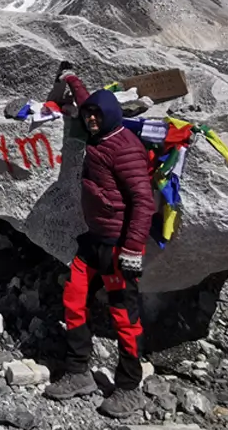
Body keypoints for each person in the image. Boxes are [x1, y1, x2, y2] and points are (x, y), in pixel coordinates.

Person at [42, 63, 157, 418]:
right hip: (93, 241)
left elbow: (143, 201)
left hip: (118, 247)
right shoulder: (99, 135)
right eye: (88, 114)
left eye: (96, 115)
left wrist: (134, 250)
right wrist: (70, 79)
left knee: (124, 315)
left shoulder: (125, 149)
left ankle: (128, 388)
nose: (90, 119)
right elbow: (86, 99)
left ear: (110, 116)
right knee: (74, 298)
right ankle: (78, 372)